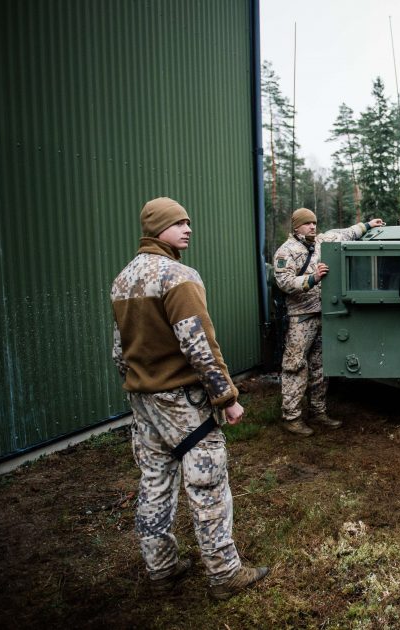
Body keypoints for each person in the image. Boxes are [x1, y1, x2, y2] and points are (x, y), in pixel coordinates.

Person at [111, 197, 269, 600]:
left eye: (188, 222)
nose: (188, 228)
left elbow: (119, 351)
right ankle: (224, 574)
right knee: (208, 485)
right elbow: (198, 343)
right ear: (156, 230)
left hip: (143, 402)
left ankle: (161, 570)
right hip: (183, 404)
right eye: (178, 223)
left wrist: (142, 384)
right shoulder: (177, 276)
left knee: (154, 484)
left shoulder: (123, 279)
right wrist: (226, 397)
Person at [273, 208, 384, 436]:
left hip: (324, 315)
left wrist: (369, 225)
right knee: (295, 366)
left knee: (320, 367)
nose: (313, 226)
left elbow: (347, 233)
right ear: (296, 227)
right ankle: (291, 417)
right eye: (307, 224)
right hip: (300, 318)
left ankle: (318, 412)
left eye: (314, 222)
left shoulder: (324, 240)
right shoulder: (286, 252)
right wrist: (312, 279)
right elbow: (284, 282)